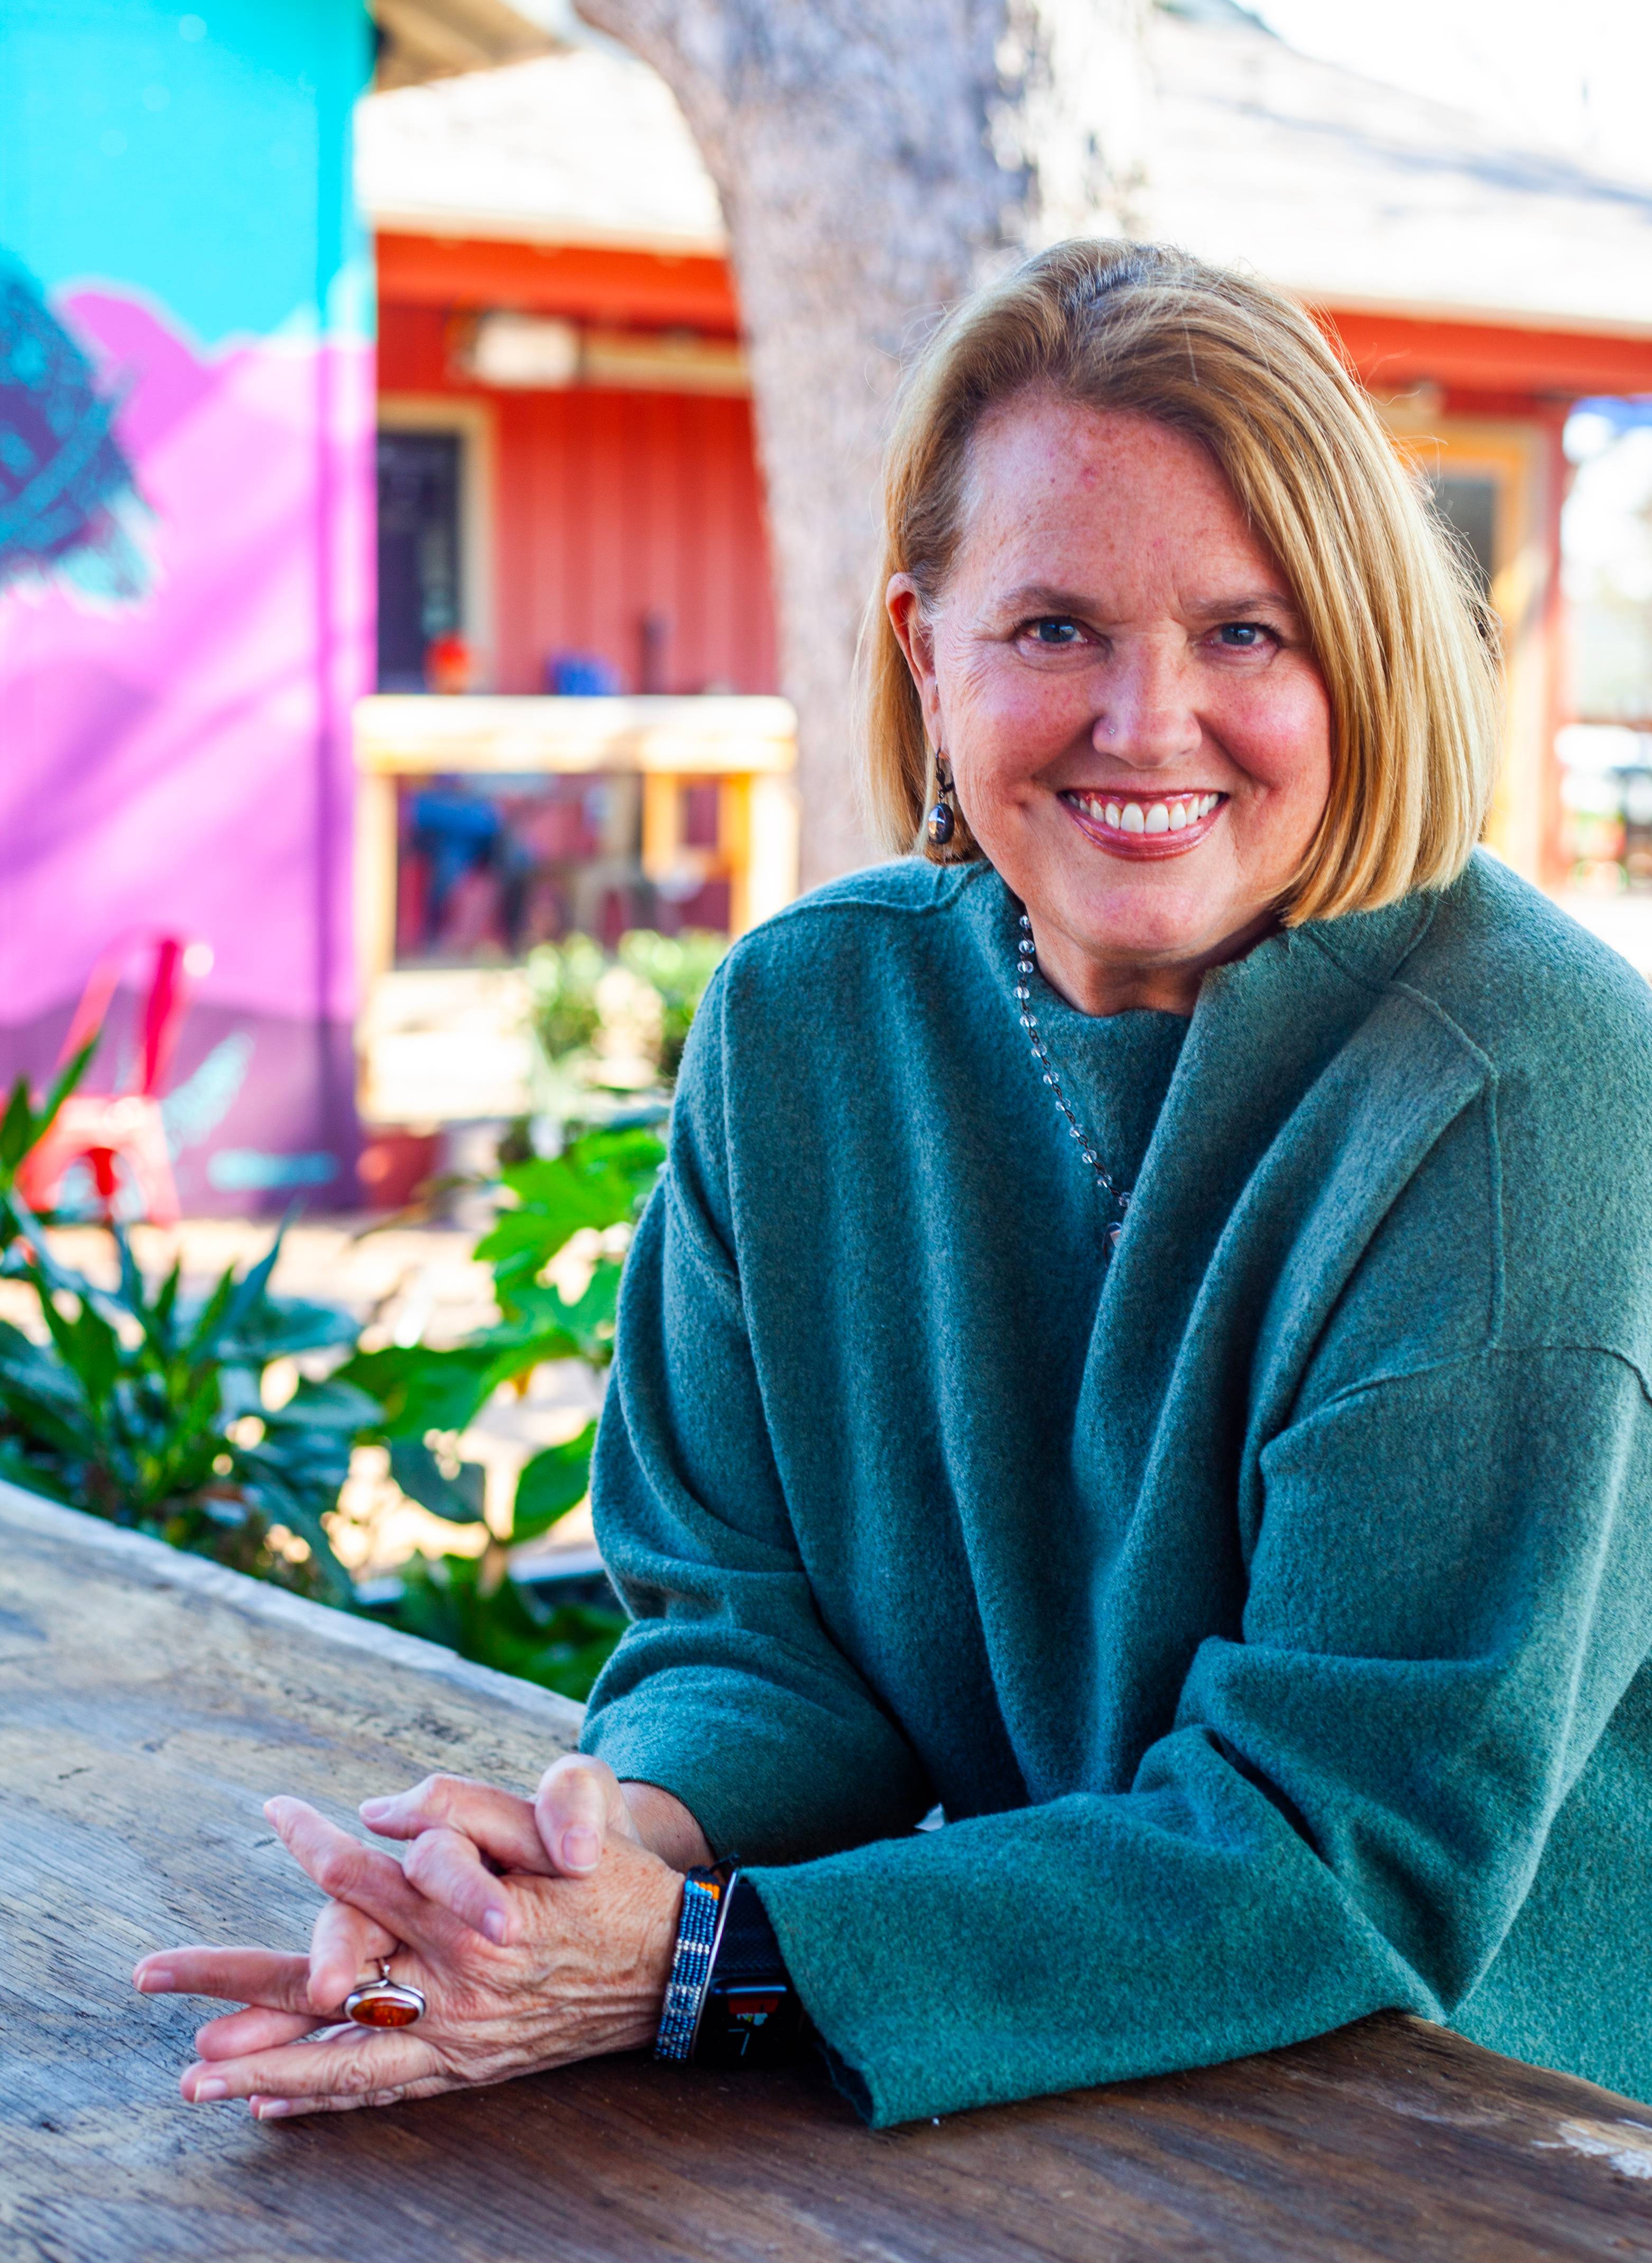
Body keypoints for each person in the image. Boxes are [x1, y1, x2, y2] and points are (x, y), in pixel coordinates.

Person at [137, 239, 1652, 2130]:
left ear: (1365, 650)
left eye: (1245, 632)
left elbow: (1347, 1844)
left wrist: (703, 1968)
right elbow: (752, 1633)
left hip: (1504, 2144)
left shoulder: (1521, 1084)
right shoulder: (807, 1023)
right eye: (1054, 629)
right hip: (1037, 2084)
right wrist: (579, 1867)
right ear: (927, 650)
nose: (1147, 719)